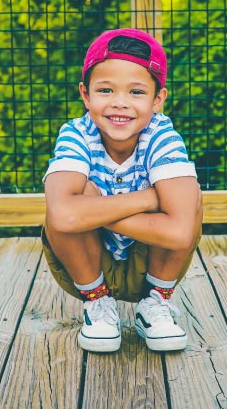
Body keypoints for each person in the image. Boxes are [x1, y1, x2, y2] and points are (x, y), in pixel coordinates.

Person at [42, 28, 203, 353]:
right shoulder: (76, 134)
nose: (120, 103)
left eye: (136, 92)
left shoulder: (163, 137)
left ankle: (156, 304)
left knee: (189, 195)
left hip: (151, 259)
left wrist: (89, 212)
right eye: (105, 90)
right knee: (76, 192)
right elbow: (61, 216)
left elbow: (180, 233)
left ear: (158, 99)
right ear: (85, 95)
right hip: (89, 262)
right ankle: (97, 305)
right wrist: (147, 199)